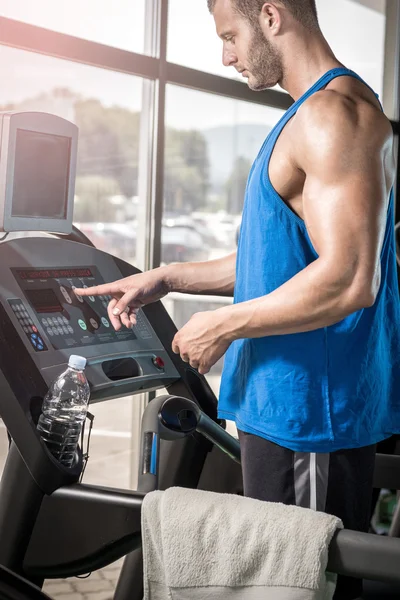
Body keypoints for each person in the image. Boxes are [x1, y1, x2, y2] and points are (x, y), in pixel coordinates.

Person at [76, 1, 400, 598]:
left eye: (230, 35)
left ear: (272, 16)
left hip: (310, 418)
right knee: (267, 582)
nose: (224, 54)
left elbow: (350, 278)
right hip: (280, 408)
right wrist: (169, 277)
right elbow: (278, 263)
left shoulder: (335, 115)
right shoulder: (311, 115)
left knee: (298, 586)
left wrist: (220, 325)